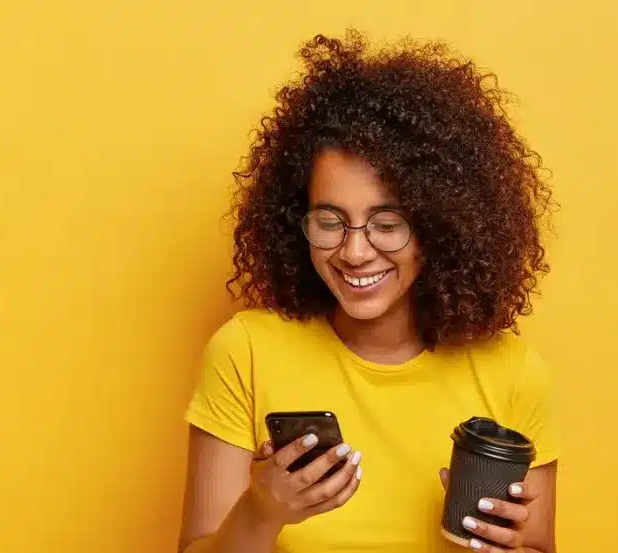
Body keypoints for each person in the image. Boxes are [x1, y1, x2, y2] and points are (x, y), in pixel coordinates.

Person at [178, 30, 559, 553]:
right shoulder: (244, 351)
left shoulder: (514, 375)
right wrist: (261, 511)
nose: (354, 253)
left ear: (440, 226)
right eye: (330, 220)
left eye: (387, 223)